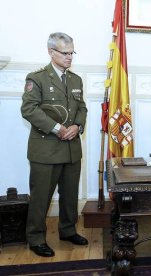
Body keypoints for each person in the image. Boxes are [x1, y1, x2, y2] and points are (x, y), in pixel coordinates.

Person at [21, 32, 88, 257]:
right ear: (51, 52)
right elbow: (29, 109)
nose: (70, 57)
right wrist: (58, 128)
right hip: (46, 149)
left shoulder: (75, 79)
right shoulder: (37, 78)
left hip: (71, 149)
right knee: (41, 197)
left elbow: (82, 108)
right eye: (65, 53)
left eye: (72, 53)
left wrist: (78, 126)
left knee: (70, 195)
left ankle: (68, 230)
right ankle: (36, 238)